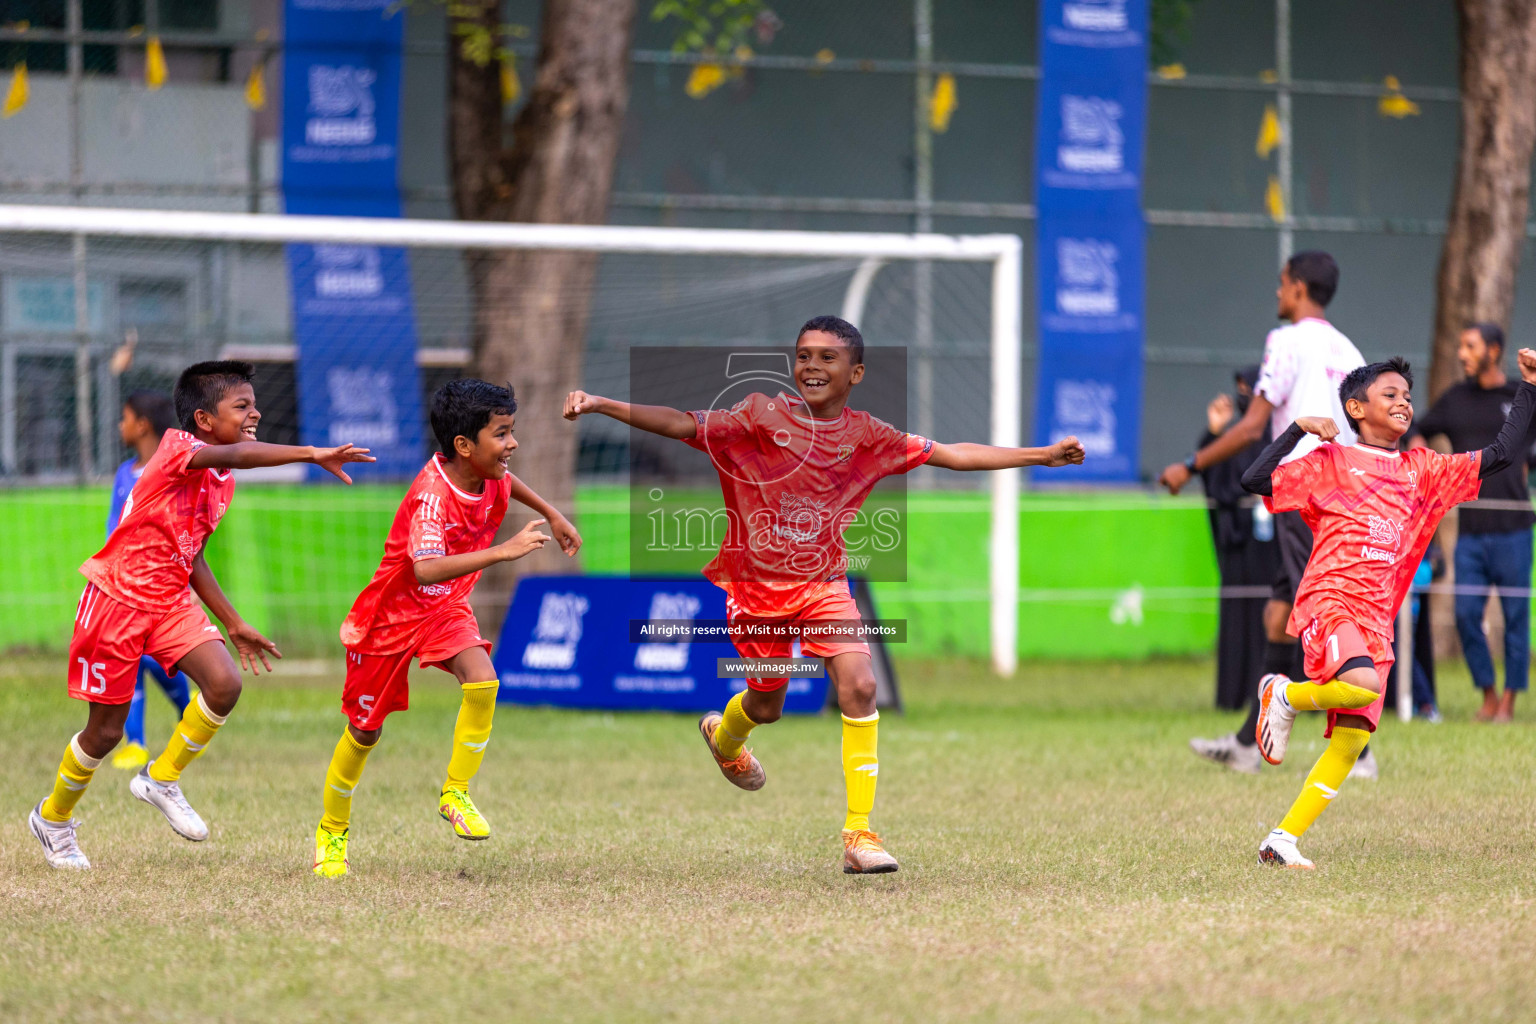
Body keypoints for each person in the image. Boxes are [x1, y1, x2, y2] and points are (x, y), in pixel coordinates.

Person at [563, 315, 1086, 874]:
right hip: (754, 588)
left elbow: (953, 454)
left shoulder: (869, 436)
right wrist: (602, 404)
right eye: (804, 355)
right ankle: (726, 734)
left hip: (823, 584)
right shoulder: (760, 414)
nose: (811, 366)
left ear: (855, 372)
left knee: (860, 684)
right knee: (767, 706)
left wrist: (1042, 455)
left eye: (827, 358)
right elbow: (681, 423)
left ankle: (859, 836)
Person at [28, 361, 375, 871]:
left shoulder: (221, 480)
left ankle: (161, 777)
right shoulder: (176, 449)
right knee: (105, 733)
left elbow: (192, 554)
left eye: (254, 403)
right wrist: (311, 452)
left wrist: (232, 622)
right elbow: (239, 451)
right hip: (117, 598)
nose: (255, 412)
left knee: (224, 684)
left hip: (168, 601)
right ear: (203, 419)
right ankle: (53, 818)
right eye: (242, 405)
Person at [1243, 351, 1536, 868]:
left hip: (1376, 620)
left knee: (1352, 739)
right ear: (1355, 408)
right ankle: (1282, 694)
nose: (1403, 402)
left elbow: (1501, 456)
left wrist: (1530, 388)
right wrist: (1294, 430)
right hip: (1330, 602)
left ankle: (1281, 840)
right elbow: (1255, 480)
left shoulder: (1422, 470)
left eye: (1406, 395)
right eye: (1389, 395)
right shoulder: (1330, 461)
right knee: (1362, 684)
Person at [312, 379, 581, 879]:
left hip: (444, 609)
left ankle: (456, 791)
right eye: (502, 435)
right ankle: (332, 833)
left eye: (511, 432)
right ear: (464, 445)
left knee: (483, 680)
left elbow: (506, 482)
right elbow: (425, 569)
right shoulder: (433, 496)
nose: (512, 445)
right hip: (389, 621)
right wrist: (503, 551)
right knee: (364, 732)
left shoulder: (488, 470)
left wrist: (552, 512)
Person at [1160, 252, 1368, 776]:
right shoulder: (1349, 349)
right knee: (1277, 617)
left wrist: (1191, 464)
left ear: (1298, 288)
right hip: (1343, 495)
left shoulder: (1285, 342)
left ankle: (1360, 751)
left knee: (1322, 616)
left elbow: (1253, 427)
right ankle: (1250, 743)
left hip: (1302, 495)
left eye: (1280, 285)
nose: (1277, 294)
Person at [1409, 323, 1536, 722]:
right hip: (1470, 533)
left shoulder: (1520, 394)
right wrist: (1418, 451)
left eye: (1470, 346)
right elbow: (1417, 428)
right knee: (1465, 614)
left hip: (1515, 530)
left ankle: (1510, 702)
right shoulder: (1455, 399)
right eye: (1460, 345)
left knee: (1516, 619)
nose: (1462, 353)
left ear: (1494, 350)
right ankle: (1487, 693)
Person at [106, 391, 193, 771]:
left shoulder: (171, 472)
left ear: (142, 424)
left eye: (124, 417)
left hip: (164, 587)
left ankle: (188, 713)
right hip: (126, 588)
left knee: (161, 661)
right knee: (128, 659)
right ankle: (136, 742)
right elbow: (114, 529)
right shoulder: (123, 474)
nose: (119, 425)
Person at [1198, 366, 1280, 718]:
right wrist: (1213, 433)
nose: (1243, 394)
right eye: (1239, 388)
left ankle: (1281, 694)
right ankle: (1235, 695)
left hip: (1277, 549)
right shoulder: (1232, 440)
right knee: (1239, 618)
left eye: (1250, 387)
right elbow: (1215, 483)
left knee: (1278, 617)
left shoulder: (1282, 437)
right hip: (1241, 546)